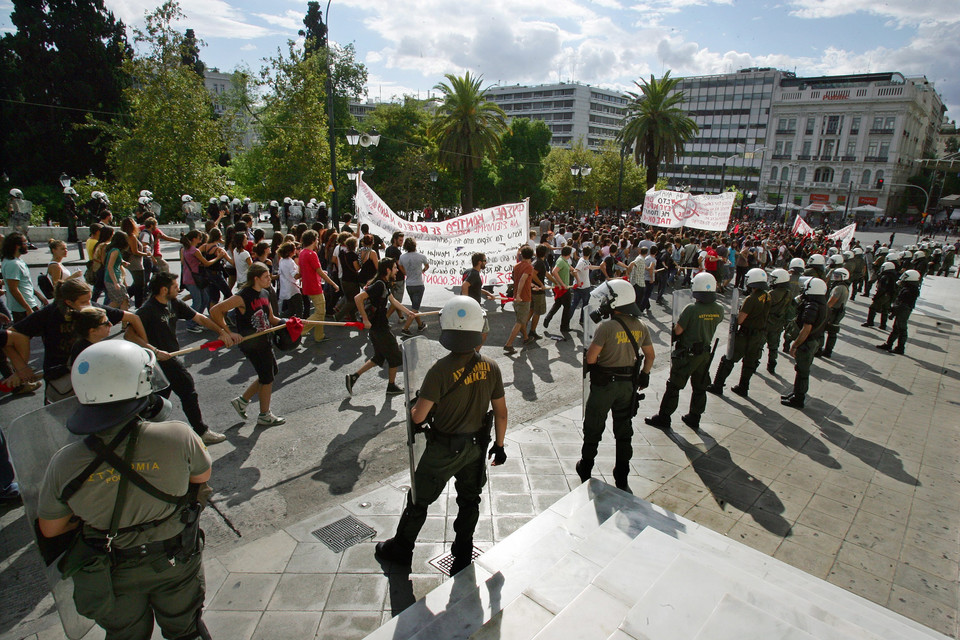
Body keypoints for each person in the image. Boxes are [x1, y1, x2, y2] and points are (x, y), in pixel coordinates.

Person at [36, 340, 213, 640]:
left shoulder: (63, 462)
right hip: (174, 556)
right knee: (185, 629)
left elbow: (50, 529)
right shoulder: (178, 435)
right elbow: (201, 478)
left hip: (109, 568)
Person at [375, 296, 507, 575]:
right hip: (475, 447)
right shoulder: (492, 366)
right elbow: (501, 412)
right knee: (470, 500)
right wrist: (500, 444)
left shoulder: (440, 371)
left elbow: (420, 417)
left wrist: (414, 406)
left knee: (419, 499)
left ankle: (401, 549)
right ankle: (462, 554)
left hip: (444, 449)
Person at [129, 272, 235, 444]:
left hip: (170, 357)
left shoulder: (173, 303)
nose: (179, 288)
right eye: (175, 285)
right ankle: (201, 431)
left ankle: (137, 431)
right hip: (158, 361)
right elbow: (130, 335)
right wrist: (155, 351)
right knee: (187, 391)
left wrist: (222, 332)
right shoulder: (147, 310)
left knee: (157, 400)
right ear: (164, 290)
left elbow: (198, 317)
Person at [9, 279, 149, 404]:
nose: (90, 305)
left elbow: (133, 318)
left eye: (89, 300)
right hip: (62, 379)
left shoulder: (93, 309)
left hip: (91, 375)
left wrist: (147, 346)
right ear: (68, 302)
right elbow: (12, 335)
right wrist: (21, 368)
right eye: (83, 302)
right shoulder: (49, 314)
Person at [577, 279, 655, 492]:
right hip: (627, 387)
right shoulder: (641, 326)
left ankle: (586, 466)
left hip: (605, 386)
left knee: (594, 427)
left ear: (615, 302)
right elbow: (650, 356)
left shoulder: (606, 327)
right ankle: (622, 475)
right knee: (624, 431)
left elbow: (591, 358)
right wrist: (645, 375)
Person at [210, 263, 287, 427]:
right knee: (267, 377)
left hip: (265, 339)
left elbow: (271, 318)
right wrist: (228, 332)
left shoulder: (266, 292)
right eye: (266, 277)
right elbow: (216, 310)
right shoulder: (242, 296)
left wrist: (288, 323)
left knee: (271, 372)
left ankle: (242, 401)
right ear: (256, 278)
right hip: (251, 344)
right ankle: (264, 415)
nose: (269, 279)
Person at [645, 273, 722, 432]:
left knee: (674, 386)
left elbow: (679, 330)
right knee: (700, 387)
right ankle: (695, 416)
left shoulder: (692, 309)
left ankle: (664, 417)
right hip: (705, 353)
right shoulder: (719, 309)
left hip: (688, 354)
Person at [345, 258, 416, 396]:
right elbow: (358, 298)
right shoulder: (379, 284)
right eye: (395, 268)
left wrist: (409, 313)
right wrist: (365, 319)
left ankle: (353, 377)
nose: (397, 270)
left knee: (379, 357)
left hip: (378, 327)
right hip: (379, 328)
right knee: (395, 357)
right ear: (388, 270)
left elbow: (393, 301)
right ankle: (391, 386)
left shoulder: (385, 284)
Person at [707, 267, 770, 398]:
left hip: (746, 335)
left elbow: (741, 320)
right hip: (759, 335)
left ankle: (718, 385)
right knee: (749, 363)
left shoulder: (751, 298)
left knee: (728, 359)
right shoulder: (767, 296)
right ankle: (743, 387)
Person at [781, 278, 828, 409]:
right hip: (812, 341)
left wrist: (795, 344)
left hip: (807, 343)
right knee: (801, 369)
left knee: (802, 371)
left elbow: (806, 328)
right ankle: (796, 393)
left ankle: (799, 398)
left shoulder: (812, 306)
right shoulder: (821, 303)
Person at [299, 230, 339, 343]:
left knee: (320, 311)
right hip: (314, 286)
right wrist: (333, 283)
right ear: (313, 240)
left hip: (308, 285)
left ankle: (319, 335)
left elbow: (306, 271)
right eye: (316, 239)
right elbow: (320, 271)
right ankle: (301, 330)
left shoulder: (302, 253)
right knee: (320, 312)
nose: (317, 241)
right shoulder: (312, 254)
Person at [876, 269, 921, 355]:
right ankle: (889, 344)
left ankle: (900, 348)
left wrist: (893, 312)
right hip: (902, 310)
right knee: (896, 328)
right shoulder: (910, 288)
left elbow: (902, 304)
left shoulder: (909, 290)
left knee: (901, 329)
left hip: (903, 310)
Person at [3, 232, 45, 321]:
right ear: (17, 246)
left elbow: (24, 283)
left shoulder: (17, 261)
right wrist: (27, 308)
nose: (28, 246)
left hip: (29, 303)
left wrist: (38, 295)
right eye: (26, 243)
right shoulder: (13, 264)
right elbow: (13, 289)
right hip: (22, 308)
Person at [460, 252, 497, 348]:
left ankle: (468, 352)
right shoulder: (474, 274)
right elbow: (465, 286)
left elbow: (474, 286)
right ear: (480, 262)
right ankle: (475, 353)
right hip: (472, 307)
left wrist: (488, 293)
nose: (486, 262)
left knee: (470, 331)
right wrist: (467, 304)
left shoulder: (468, 271)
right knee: (484, 331)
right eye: (485, 261)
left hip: (468, 306)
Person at [503, 245, 534, 354]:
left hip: (517, 297)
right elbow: (522, 280)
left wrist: (531, 285)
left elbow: (520, 280)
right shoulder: (529, 267)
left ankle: (526, 338)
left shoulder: (516, 266)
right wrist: (519, 295)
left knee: (521, 320)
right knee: (520, 321)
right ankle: (508, 344)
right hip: (523, 298)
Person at [543, 246, 579, 335]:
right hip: (562, 288)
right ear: (569, 254)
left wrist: (575, 270)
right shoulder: (561, 261)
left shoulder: (563, 260)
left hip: (561, 287)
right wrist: (562, 284)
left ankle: (548, 318)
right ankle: (564, 326)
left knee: (558, 304)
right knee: (567, 307)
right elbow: (554, 272)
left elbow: (570, 268)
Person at [763, 268, 793, 373]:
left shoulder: (772, 293)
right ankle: (772, 364)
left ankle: (753, 364)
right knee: (774, 345)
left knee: (758, 344)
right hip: (778, 323)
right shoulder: (788, 292)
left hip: (767, 322)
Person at [399, 237, 429, 333]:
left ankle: (420, 325)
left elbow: (400, 266)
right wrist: (422, 271)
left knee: (414, 307)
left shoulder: (402, 257)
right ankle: (405, 328)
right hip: (418, 284)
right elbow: (427, 265)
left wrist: (406, 272)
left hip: (409, 284)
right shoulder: (421, 256)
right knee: (415, 309)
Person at [818, 267, 849, 359]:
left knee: (822, 329)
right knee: (832, 332)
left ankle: (820, 350)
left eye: (838, 276)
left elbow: (832, 301)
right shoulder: (844, 286)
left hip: (834, 312)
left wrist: (824, 310)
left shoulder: (839, 288)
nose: (835, 277)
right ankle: (828, 350)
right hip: (839, 311)